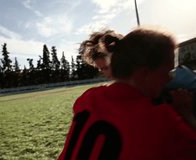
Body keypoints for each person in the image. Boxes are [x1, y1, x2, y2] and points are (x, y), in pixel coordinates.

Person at [58, 27, 196, 159]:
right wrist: (185, 113)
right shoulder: (160, 117)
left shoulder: (88, 98)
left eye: (108, 67)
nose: (109, 75)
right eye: (103, 70)